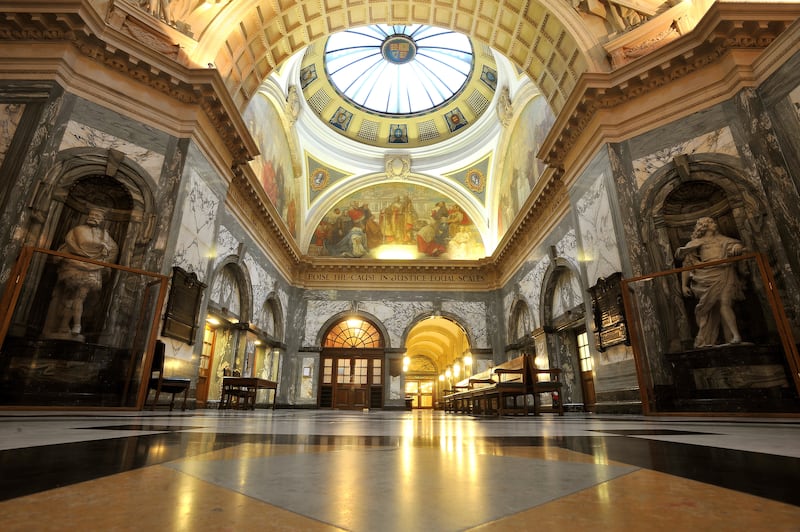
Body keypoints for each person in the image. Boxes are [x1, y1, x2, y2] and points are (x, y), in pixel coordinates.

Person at [675, 217, 745, 348]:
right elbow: (685, 262)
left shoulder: (722, 240)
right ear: (704, 226)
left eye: (714, 221)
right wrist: (684, 285)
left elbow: (736, 244)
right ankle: (723, 338)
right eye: (711, 222)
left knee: (725, 303)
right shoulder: (697, 243)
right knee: (709, 308)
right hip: (706, 276)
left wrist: (736, 247)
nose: (715, 224)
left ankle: (735, 336)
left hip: (724, 272)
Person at [51, 208, 119, 338]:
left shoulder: (104, 235)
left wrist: (105, 258)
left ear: (102, 220)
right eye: (92, 214)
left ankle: (76, 325)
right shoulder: (77, 230)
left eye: (97, 216)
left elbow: (113, 250)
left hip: (93, 269)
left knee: (80, 297)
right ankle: (65, 326)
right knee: (69, 297)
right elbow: (68, 244)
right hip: (74, 266)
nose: (94, 217)